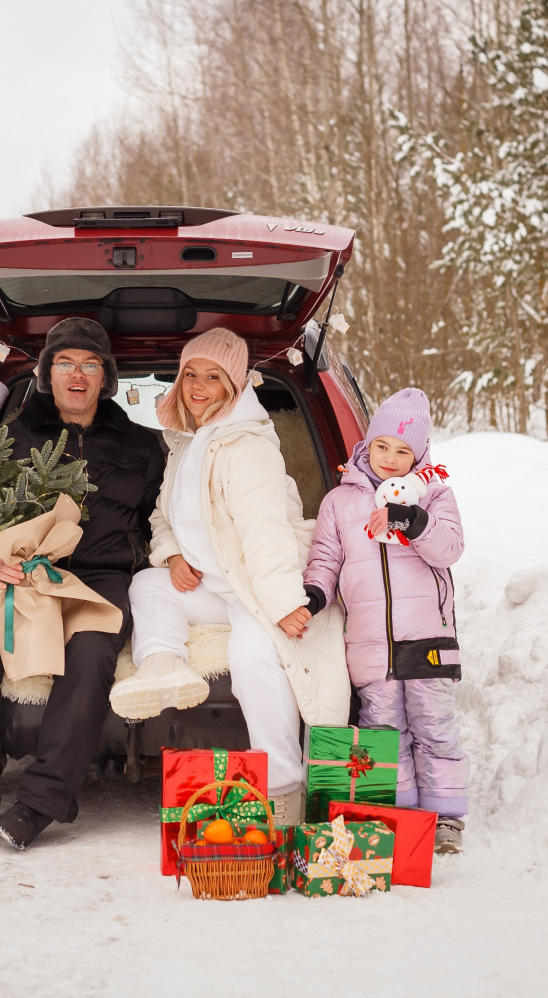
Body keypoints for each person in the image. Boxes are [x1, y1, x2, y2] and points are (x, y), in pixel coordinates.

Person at [0, 318, 166, 851]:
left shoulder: (145, 446)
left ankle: (42, 801)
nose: (77, 375)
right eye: (65, 363)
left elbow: (164, 523)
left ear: (106, 377)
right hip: (31, 573)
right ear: (46, 375)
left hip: (104, 577)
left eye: (90, 364)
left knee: (89, 654)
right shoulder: (8, 440)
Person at [110, 327, 348, 824]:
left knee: (253, 660)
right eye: (190, 374)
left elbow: (266, 533)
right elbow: (161, 516)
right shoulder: (189, 442)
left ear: (235, 385)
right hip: (208, 584)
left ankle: (282, 791)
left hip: (252, 585)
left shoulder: (247, 446)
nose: (198, 387)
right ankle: (162, 666)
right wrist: (173, 555)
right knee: (147, 584)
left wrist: (286, 604)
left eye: (213, 377)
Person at [302, 387, 469, 853]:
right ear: (366, 445)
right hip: (370, 642)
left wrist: (412, 521)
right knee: (382, 729)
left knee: (434, 725)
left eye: (403, 451)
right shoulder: (340, 502)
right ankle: (397, 812)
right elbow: (325, 558)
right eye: (381, 447)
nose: (390, 459)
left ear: (419, 456)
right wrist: (314, 595)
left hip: (427, 636)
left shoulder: (435, 496)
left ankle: (445, 816)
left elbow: (451, 548)